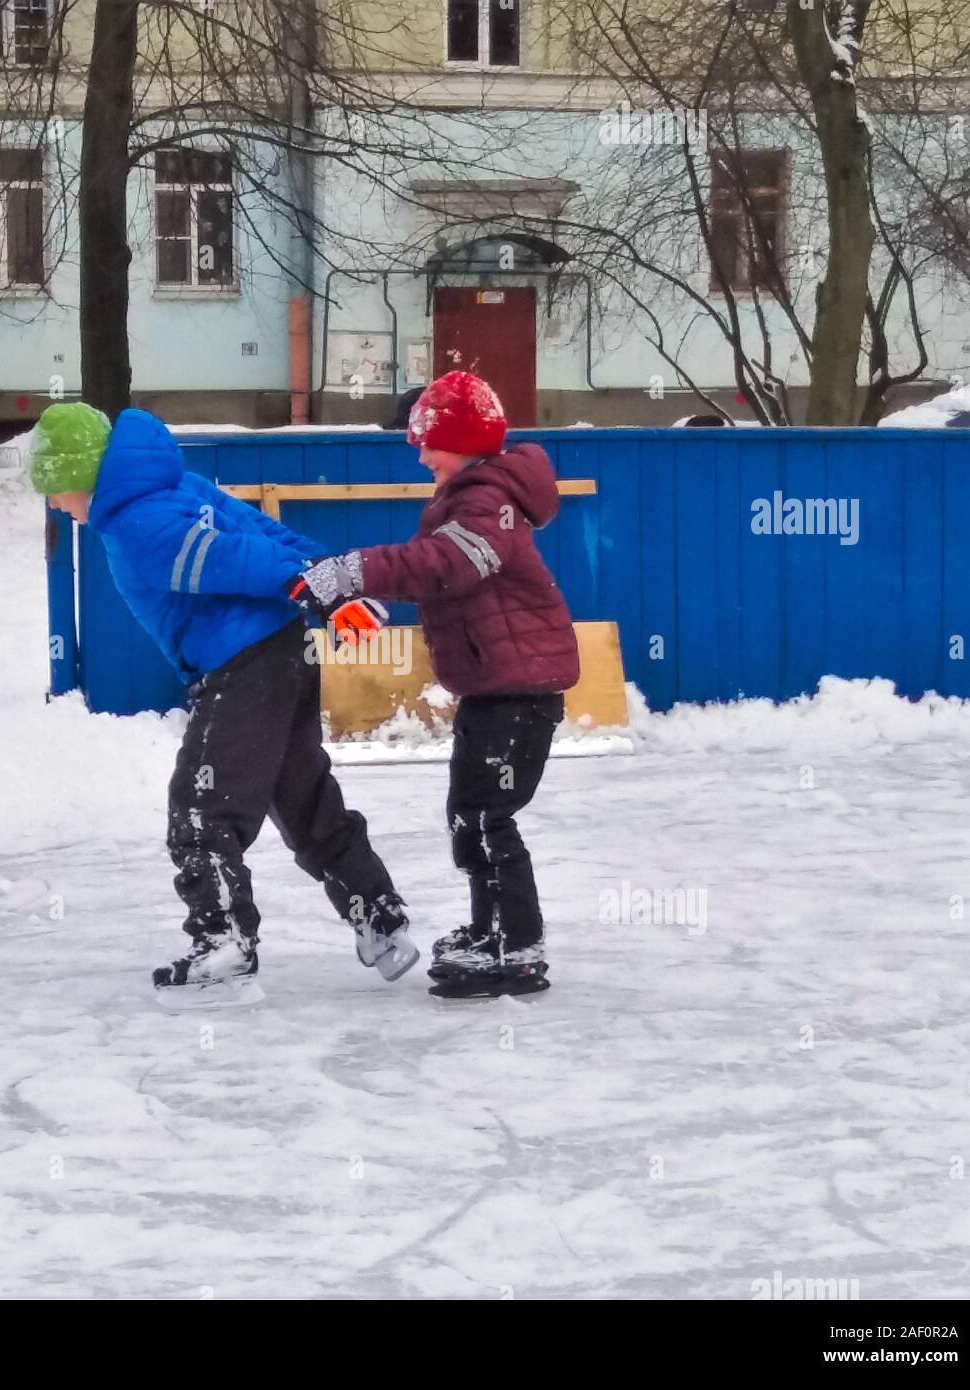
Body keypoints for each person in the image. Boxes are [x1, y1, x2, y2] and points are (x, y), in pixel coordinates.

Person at [28, 403, 418, 1000]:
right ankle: (381, 921)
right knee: (301, 795)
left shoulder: (134, 521)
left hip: (243, 666)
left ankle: (225, 940)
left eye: (56, 487)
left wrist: (312, 581)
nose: (55, 502)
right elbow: (262, 531)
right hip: (283, 652)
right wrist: (324, 573)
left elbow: (239, 556)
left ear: (82, 471)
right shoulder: (173, 486)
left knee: (201, 807)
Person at [291, 372, 578, 996]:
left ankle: (515, 946)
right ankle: (493, 928)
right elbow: (442, 574)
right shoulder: (473, 493)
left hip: (518, 692)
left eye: (429, 444)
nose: (419, 456)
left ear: (464, 442)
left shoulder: (485, 497)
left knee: (485, 816)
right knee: (471, 814)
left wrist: (354, 571)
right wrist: (379, 596)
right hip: (497, 687)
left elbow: (449, 563)